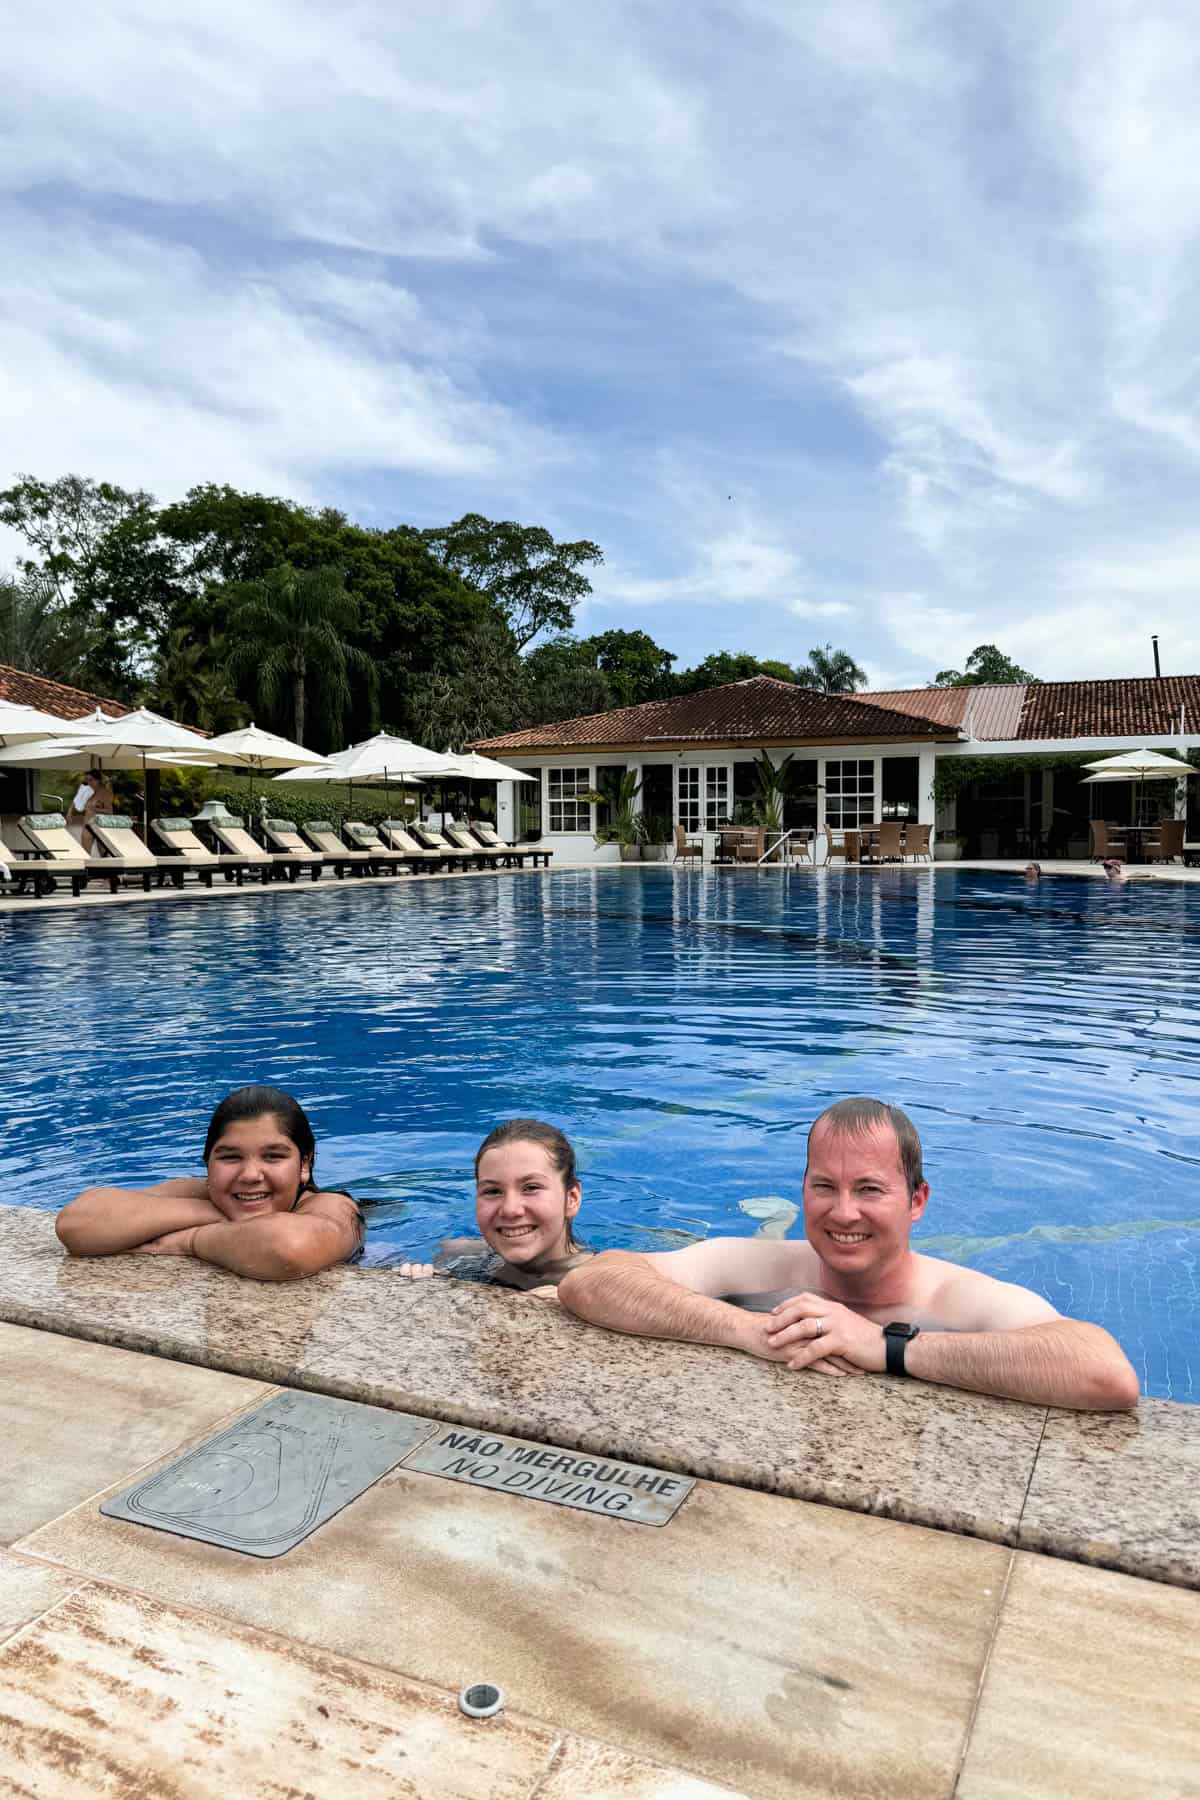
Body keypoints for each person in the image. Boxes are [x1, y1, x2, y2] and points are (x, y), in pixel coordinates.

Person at [557, 1097, 1139, 1411]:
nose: (843, 1213)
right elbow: (594, 1282)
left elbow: (1104, 1373)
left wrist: (883, 1349)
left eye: (869, 1190)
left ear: (917, 1202)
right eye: (824, 1188)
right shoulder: (768, 1272)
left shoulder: (953, 1297)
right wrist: (749, 1331)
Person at [56, 1085, 364, 1281]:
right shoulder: (205, 1194)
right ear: (208, 1165)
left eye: (273, 1157)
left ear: (304, 1165)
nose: (249, 1175)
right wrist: (220, 1215)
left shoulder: (333, 1206)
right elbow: (77, 1222)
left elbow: (288, 1248)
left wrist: (188, 1241)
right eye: (230, 1157)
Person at [396, 1119, 591, 1294]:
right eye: (493, 1191)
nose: (510, 1209)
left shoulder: (600, 1276)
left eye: (531, 1187)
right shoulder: (459, 1254)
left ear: (571, 1198)